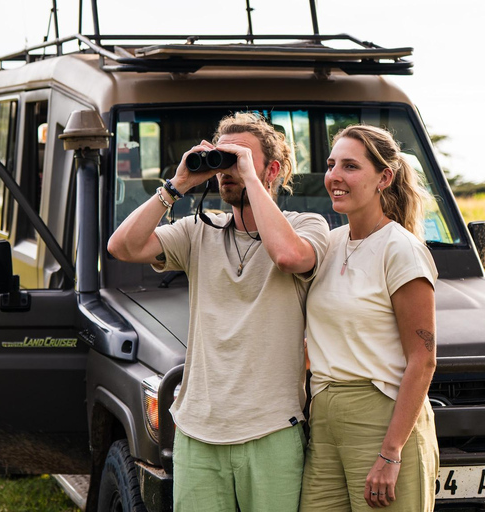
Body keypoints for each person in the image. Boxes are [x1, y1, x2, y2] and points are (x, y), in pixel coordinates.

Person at [108, 112, 329, 512]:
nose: (227, 171)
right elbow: (122, 247)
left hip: (272, 431)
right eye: (222, 161)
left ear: (273, 169)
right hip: (198, 433)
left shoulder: (307, 226)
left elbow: (287, 255)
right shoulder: (199, 231)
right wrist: (176, 186)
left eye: (239, 159)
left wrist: (251, 177)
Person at [300, 125, 439, 511]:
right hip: (325, 414)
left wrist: (391, 452)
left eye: (350, 166)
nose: (335, 177)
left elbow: (423, 358)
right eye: (331, 165)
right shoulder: (328, 243)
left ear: (384, 178)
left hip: (382, 417)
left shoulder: (400, 250)